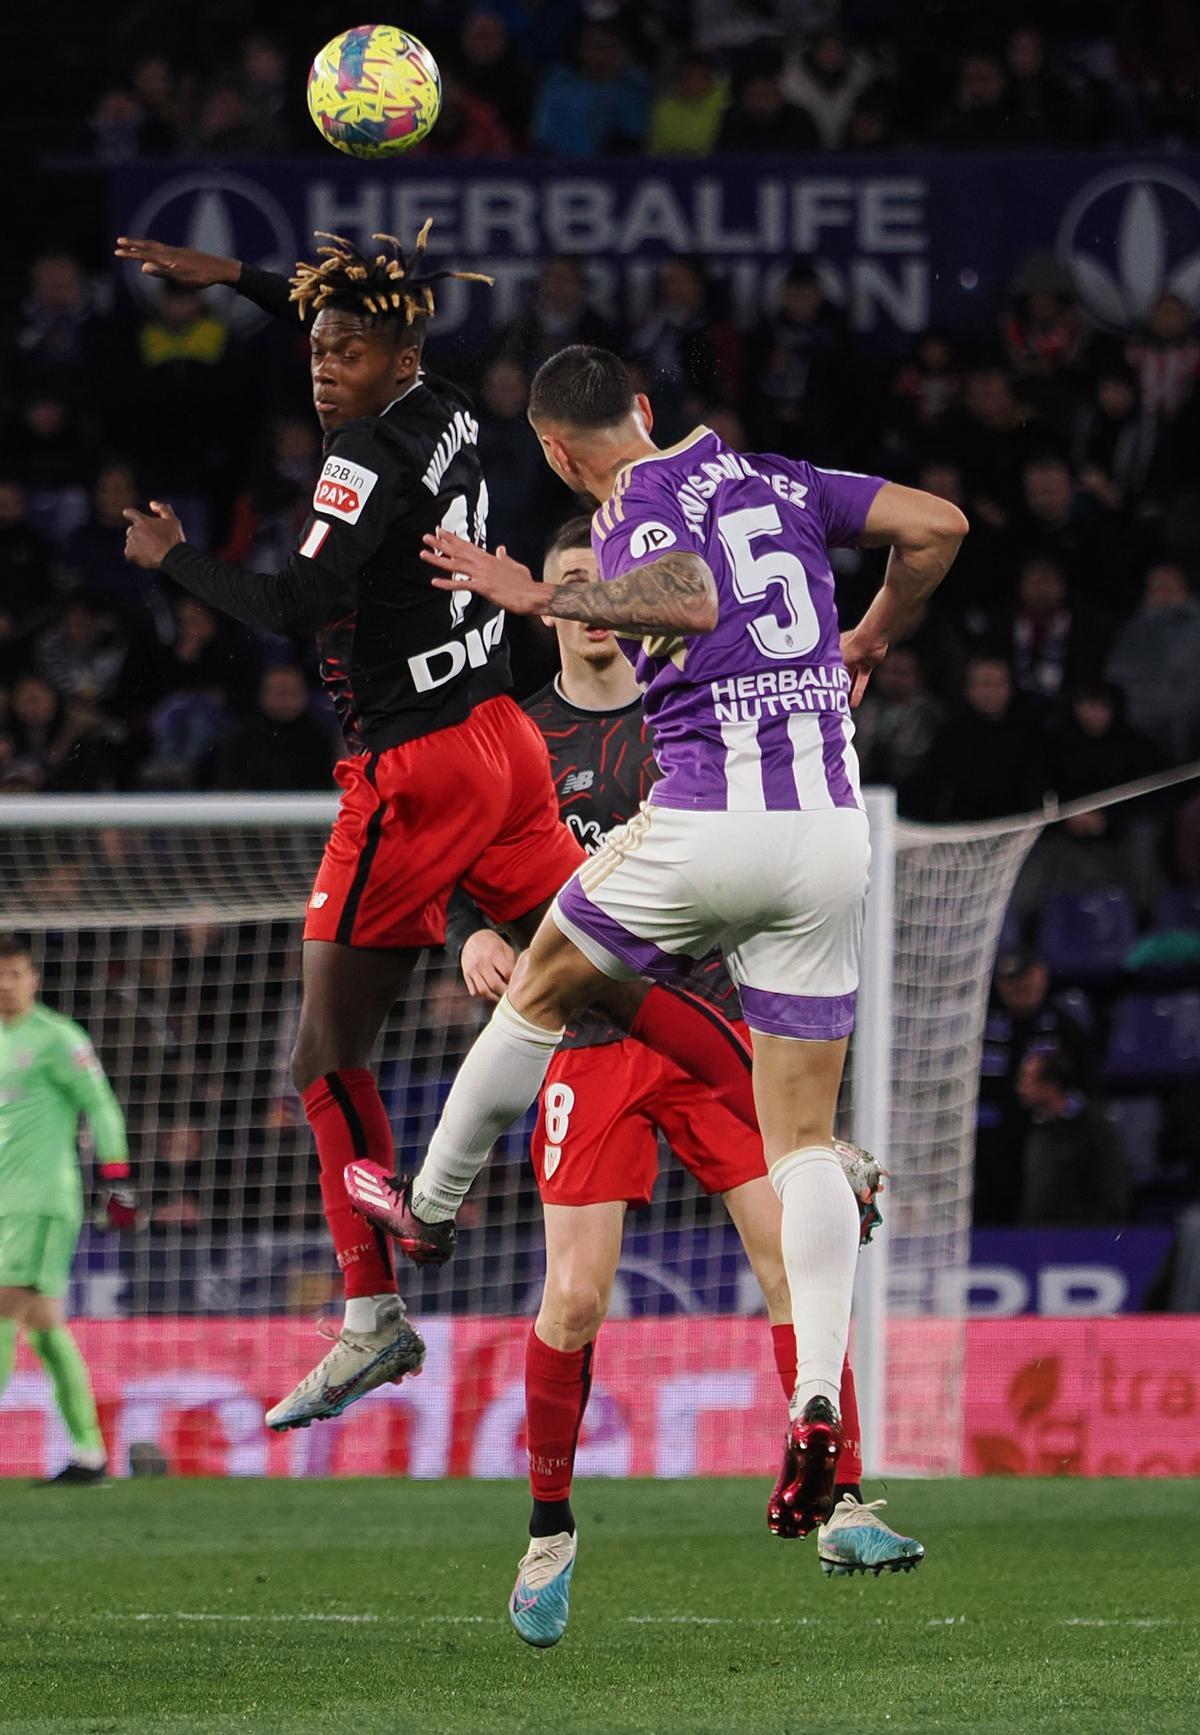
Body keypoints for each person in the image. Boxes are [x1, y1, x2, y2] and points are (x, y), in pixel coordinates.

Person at [114, 231, 769, 1431]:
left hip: (413, 770)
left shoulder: (362, 456)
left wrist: (173, 559)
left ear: (395, 354)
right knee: (609, 981)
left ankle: (371, 1318)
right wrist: (245, 282)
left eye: (346, 350)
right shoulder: (452, 405)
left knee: (321, 1056)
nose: (323, 367)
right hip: (505, 744)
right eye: (315, 345)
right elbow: (342, 325)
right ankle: (808, 1136)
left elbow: (291, 604)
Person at [352, 347, 966, 1567]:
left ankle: (424, 1213)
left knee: (536, 985)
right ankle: (817, 1412)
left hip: (706, 825)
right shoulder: (778, 477)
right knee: (805, 1146)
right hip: (830, 836)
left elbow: (684, 599)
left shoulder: (631, 503)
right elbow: (940, 524)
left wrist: (535, 598)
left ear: (561, 453)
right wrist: (875, 630)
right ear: (645, 407)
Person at [447, 518, 922, 1641]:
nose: (583, 605)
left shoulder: (693, 705)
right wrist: (469, 927)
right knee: (574, 1296)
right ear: (546, 603)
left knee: (791, 1260)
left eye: (597, 587)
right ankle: (551, 1528)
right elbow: (461, 852)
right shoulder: (517, 732)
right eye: (564, 586)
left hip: (712, 1026)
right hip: (594, 1043)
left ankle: (843, 1500)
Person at [0, 934, 139, 1484]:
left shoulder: (58, 1038)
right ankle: (90, 1452)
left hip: (40, 1202)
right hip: (4, 1203)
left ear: (34, 978)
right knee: (43, 1326)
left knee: (0, 1309)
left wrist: (117, 1175)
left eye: (15, 973)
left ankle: (90, 1451)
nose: (5, 984)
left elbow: (99, 1104)